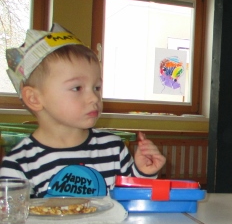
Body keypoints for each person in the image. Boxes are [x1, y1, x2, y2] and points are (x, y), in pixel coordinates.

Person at [0, 23, 166, 198]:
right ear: (34, 98)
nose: (94, 98)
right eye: (77, 88)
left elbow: (132, 201)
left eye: (97, 87)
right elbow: (14, 221)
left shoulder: (113, 149)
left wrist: (143, 172)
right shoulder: (19, 165)